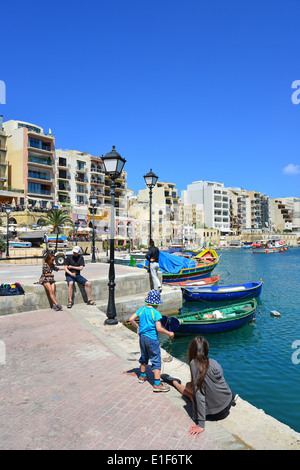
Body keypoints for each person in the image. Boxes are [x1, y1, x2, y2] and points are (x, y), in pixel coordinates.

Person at [161, 336, 238, 435]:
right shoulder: (213, 362)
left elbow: (199, 394)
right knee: (191, 385)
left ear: (191, 350)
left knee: (189, 392)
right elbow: (220, 382)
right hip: (227, 403)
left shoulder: (194, 364)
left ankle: (174, 382)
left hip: (217, 413)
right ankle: (232, 395)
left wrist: (201, 423)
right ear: (206, 349)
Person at [129, 289, 174, 392]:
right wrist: (169, 333)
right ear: (157, 303)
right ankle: (157, 384)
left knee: (144, 356)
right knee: (156, 360)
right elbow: (158, 328)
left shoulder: (142, 309)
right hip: (152, 339)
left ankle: (142, 376)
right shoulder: (156, 313)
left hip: (142, 338)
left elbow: (131, 319)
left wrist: (138, 327)